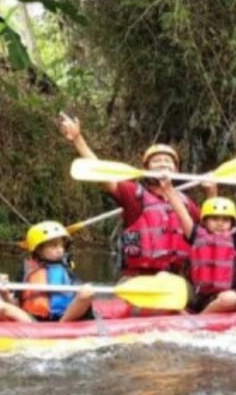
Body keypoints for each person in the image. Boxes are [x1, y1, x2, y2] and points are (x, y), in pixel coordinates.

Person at [59, 115, 211, 276]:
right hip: (139, 278)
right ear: (146, 168)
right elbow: (101, 174)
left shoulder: (185, 202)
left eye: (168, 161)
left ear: (176, 169)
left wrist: (211, 192)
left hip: (177, 279)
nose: (163, 164)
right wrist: (77, 139)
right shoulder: (134, 194)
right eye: (156, 161)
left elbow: (210, 232)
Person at [162, 179, 236, 313]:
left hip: (225, 298)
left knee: (229, 299)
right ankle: (189, 314)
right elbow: (182, 213)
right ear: (204, 221)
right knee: (164, 280)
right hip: (198, 295)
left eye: (225, 220)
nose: (220, 224)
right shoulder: (196, 234)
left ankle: (198, 319)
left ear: (232, 223)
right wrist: (168, 188)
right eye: (214, 219)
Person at [0, 221, 94, 323]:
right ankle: (39, 329)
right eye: (54, 245)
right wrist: (4, 294)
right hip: (32, 320)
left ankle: (60, 326)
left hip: (64, 317)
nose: (60, 249)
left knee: (87, 291)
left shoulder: (66, 268)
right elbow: (17, 305)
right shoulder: (27, 271)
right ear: (38, 250)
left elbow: (79, 296)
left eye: (61, 245)